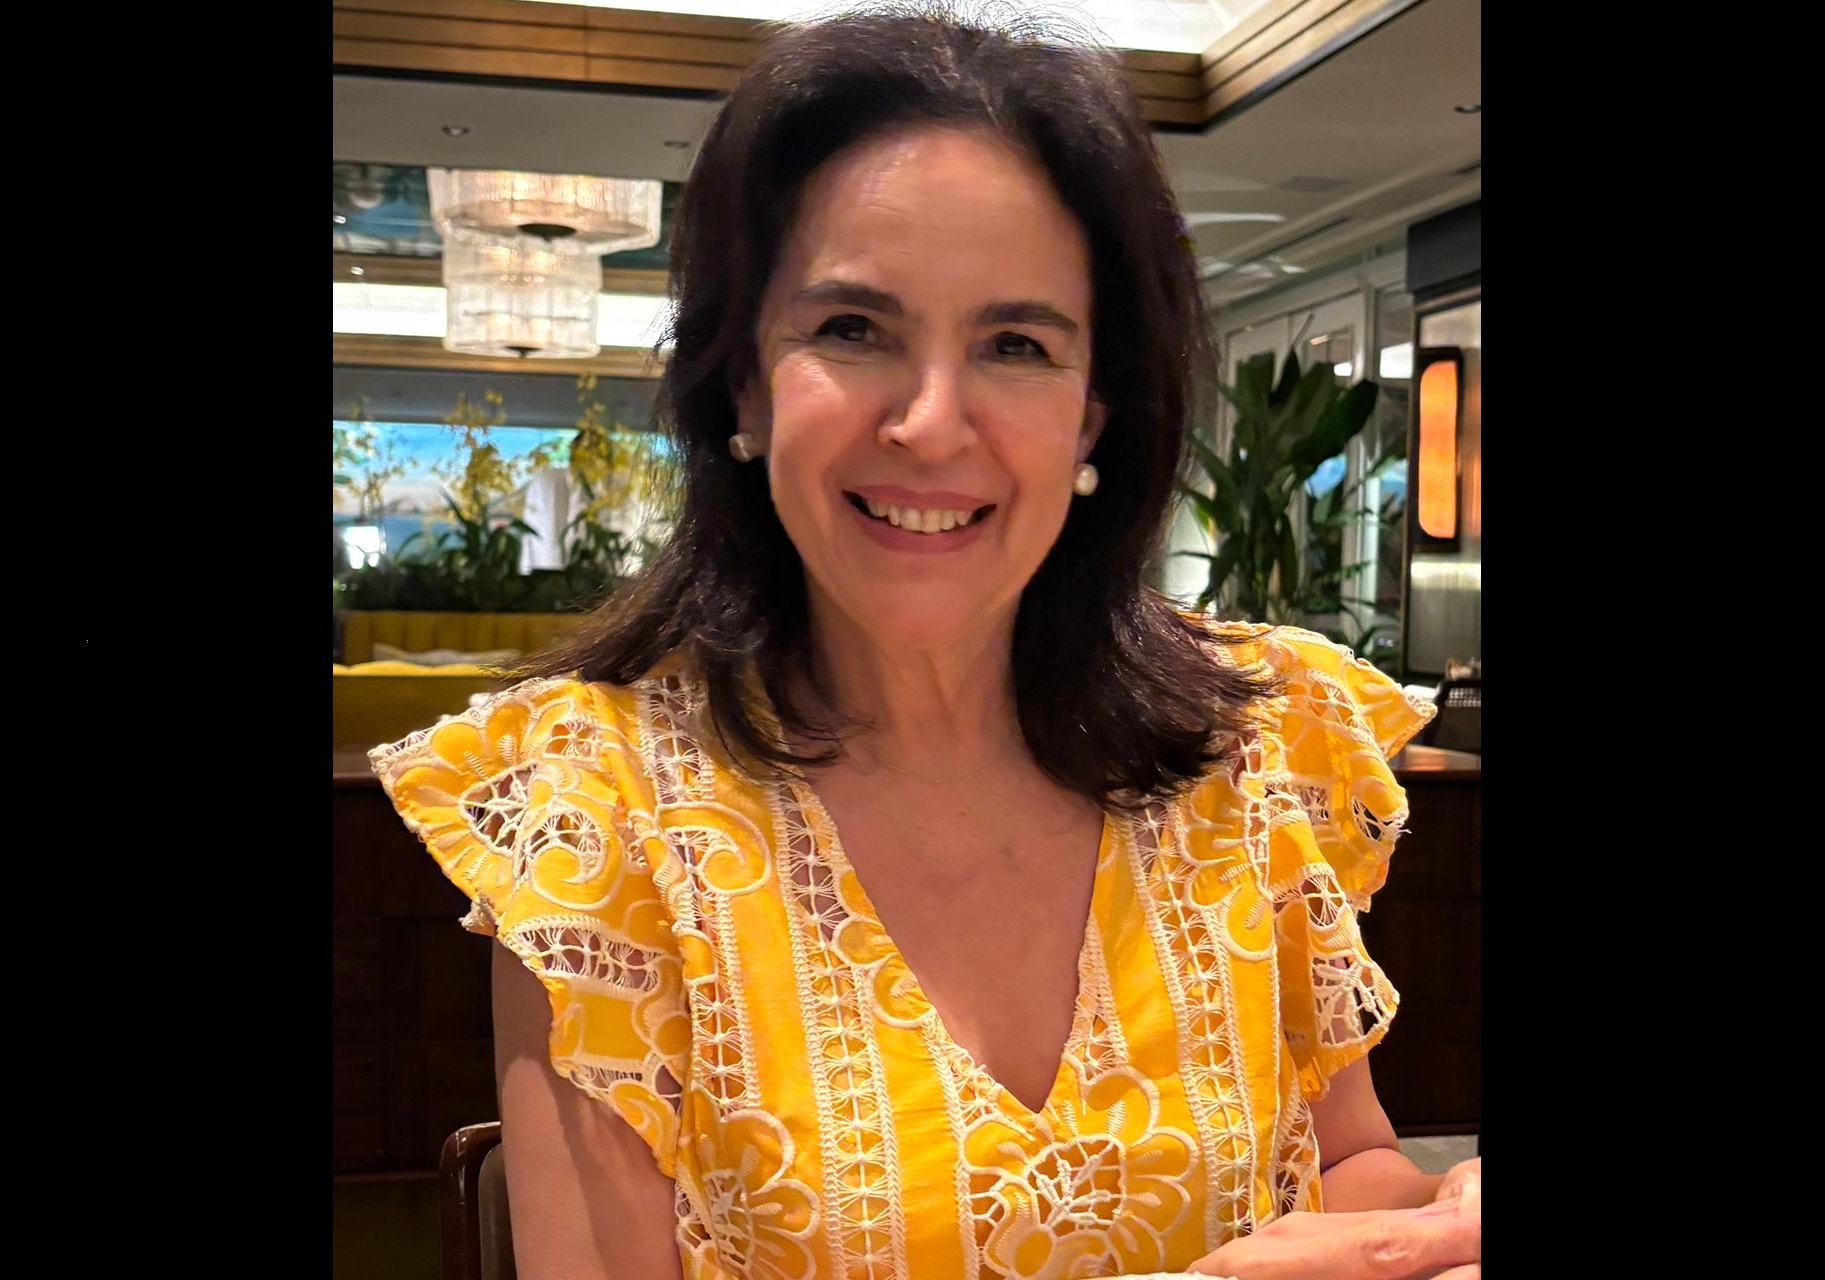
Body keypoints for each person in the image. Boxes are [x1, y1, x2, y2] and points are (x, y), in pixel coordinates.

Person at [369, 6, 1481, 1278]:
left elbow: (1340, 1162)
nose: (931, 422)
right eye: (852, 329)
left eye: (1016, 345)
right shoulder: (597, 816)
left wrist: (1436, 1223)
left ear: (1091, 416)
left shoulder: (1257, 742)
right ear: (744, 383)